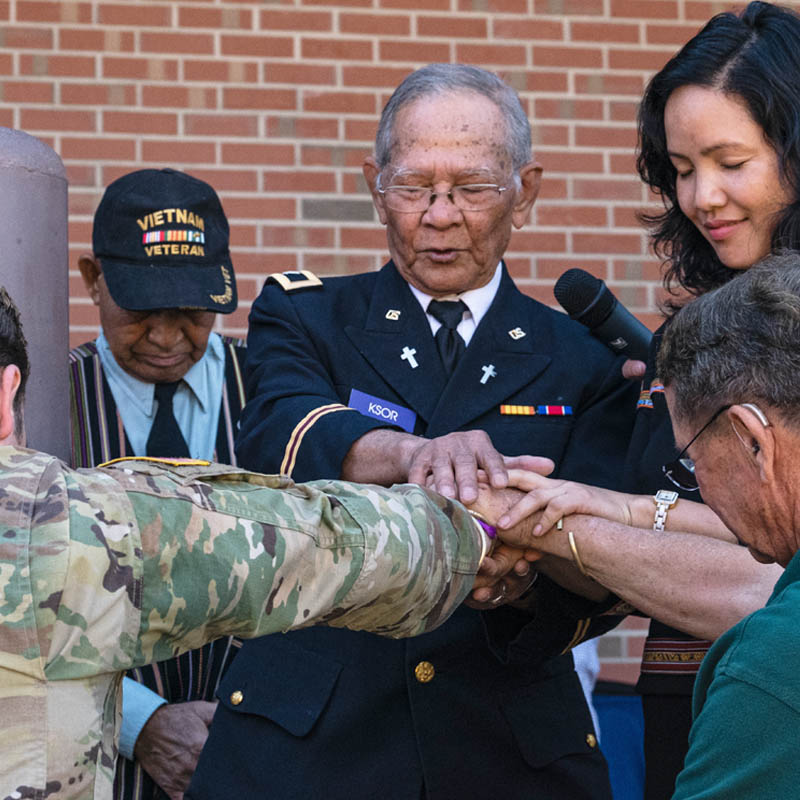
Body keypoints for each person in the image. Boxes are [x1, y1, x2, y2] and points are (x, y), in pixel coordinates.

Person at [190, 64, 637, 800]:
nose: (439, 214)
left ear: (524, 193)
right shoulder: (305, 316)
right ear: (375, 186)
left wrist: (519, 583)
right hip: (311, 743)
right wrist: (414, 457)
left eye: (471, 188)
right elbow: (284, 435)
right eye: (412, 187)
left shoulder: (586, 360)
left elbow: (609, 576)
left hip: (506, 747)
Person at [0, 283, 531, 799]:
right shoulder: (48, 517)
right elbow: (313, 548)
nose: (165, 336)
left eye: (188, 310)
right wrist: (476, 530)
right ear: (7, 395)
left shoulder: (249, 370)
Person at [492, 4, 799, 796]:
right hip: (684, 695)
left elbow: (769, 565)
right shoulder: (695, 325)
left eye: (731, 161)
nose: (703, 196)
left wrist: (592, 516)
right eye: (681, 167)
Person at [69, 168, 246, 799]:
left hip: (262, 759)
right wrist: (138, 723)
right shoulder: (40, 406)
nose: (168, 336)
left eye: (192, 310)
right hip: (89, 771)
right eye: (142, 308)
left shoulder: (280, 395)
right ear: (93, 281)